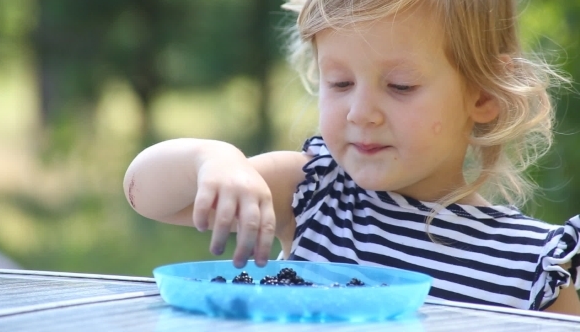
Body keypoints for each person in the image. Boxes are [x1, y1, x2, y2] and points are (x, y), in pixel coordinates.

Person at [123, 0, 580, 315]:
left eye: (400, 86)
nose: (361, 113)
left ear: (482, 94)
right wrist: (214, 160)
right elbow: (143, 193)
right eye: (340, 83)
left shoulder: (535, 266)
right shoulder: (315, 192)